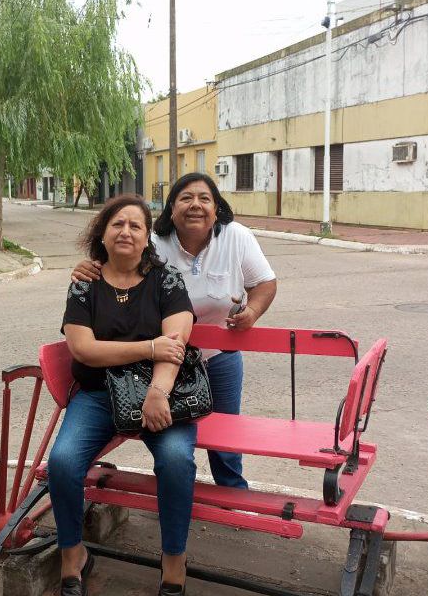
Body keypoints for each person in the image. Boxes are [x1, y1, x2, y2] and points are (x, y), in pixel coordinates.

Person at [73, 172, 277, 490]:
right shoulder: (153, 241)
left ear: (217, 208)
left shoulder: (237, 237)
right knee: (174, 433)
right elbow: (119, 265)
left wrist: (252, 311)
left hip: (218, 354)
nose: (195, 205)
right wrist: (90, 268)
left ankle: (232, 491)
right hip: (165, 359)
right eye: (185, 198)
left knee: (224, 433)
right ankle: (176, 489)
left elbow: (264, 283)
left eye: (204, 198)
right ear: (171, 208)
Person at [51, 194, 196, 596]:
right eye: (117, 224)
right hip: (98, 394)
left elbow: (176, 342)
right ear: (103, 233)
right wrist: (149, 348)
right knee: (62, 463)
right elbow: (83, 349)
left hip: (159, 394)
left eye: (135, 225)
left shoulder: (166, 280)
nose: (126, 231)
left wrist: (157, 390)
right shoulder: (85, 284)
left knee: (176, 460)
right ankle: (72, 554)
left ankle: (173, 560)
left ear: (148, 236)